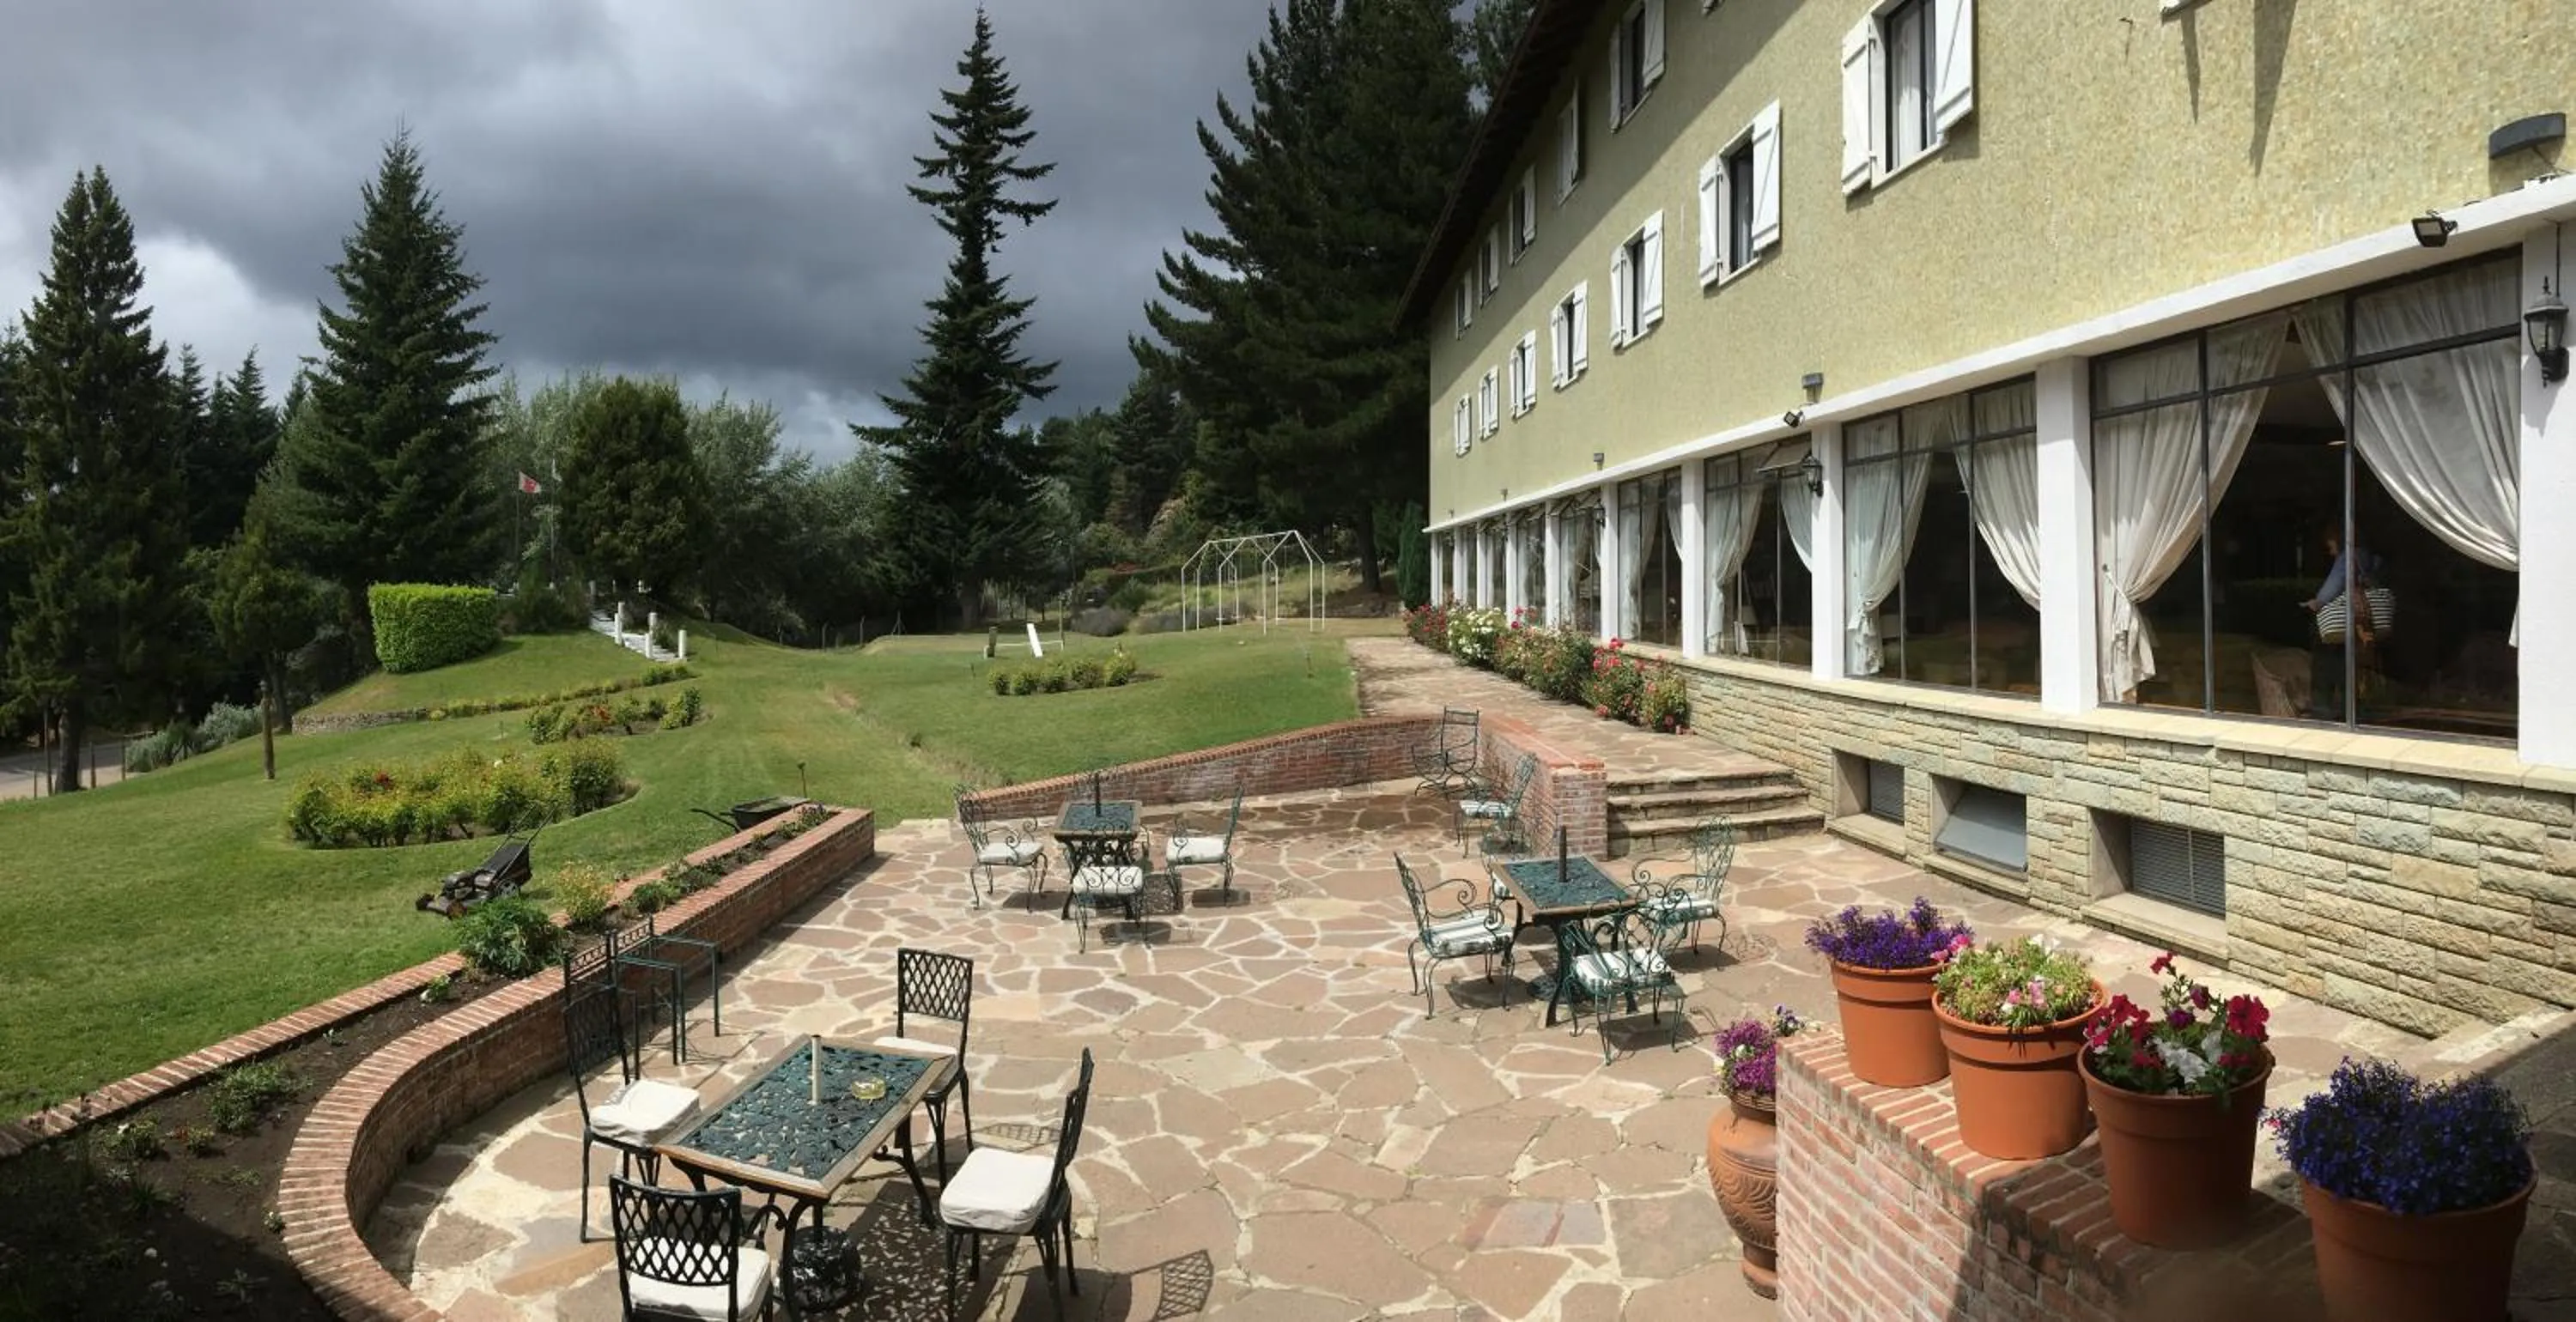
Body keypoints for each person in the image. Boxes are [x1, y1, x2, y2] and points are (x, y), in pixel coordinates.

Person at [2300, 523, 2384, 721]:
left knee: (2326, 662)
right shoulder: (2370, 558)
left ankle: (2324, 708)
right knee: (2354, 665)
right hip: (2362, 620)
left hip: (2342, 621)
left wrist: (2316, 603)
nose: (2330, 552)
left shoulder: (2348, 557)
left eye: (2330, 545)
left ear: (2339, 538)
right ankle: (2354, 709)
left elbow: (2333, 586)